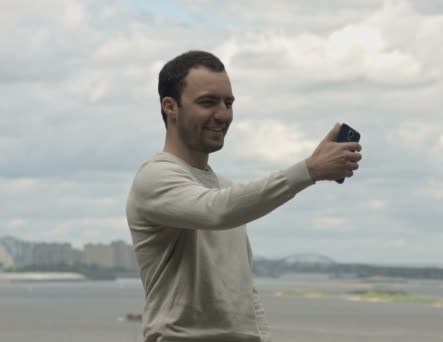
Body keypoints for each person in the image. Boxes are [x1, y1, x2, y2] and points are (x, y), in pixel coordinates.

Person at [125, 50, 362, 342]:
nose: (223, 114)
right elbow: (215, 211)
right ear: (170, 107)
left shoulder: (224, 188)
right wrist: (309, 170)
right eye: (208, 102)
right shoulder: (155, 177)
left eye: (228, 103)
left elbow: (244, 291)